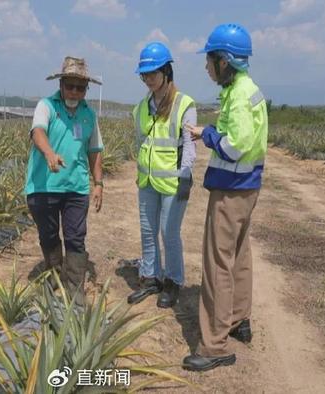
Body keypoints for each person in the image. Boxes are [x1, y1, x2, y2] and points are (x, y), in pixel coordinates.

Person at [181, 23, 268, 372]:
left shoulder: (240, 95)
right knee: (239, 257)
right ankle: (237, 320)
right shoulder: (248, 90)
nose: (206, 67)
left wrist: (208, 134)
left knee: (217, 265)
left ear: (225, 61)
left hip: (231, 190)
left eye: (210, 59)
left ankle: (214, 345)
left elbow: (236, 144)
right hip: (248, 187)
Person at [25, 56, 104, 302]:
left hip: (76, 188)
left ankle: (75, 291)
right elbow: (37, 131)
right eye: (70, 85)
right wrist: (49, 153)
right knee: (48, 236)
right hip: (44, 186)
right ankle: (54, 275)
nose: (74, 91)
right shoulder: (46, 106)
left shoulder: (89, 115)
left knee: (75, 238)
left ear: (85, 90)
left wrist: (98, 183)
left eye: (80, 88)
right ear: (61, 84)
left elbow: (95, 151)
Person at [127, 42, 197, 308]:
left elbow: (189, 146)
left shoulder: (184, 104)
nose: (148, 80)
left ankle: (173, 281)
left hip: (173, 182)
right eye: (144, 75)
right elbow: (141, 142)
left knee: (169, 233)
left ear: (167, 71)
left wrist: (185, 175)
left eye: (153, 73)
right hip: (147, 180)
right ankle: (150, 277)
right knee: (147, 231)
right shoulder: (142, 107)